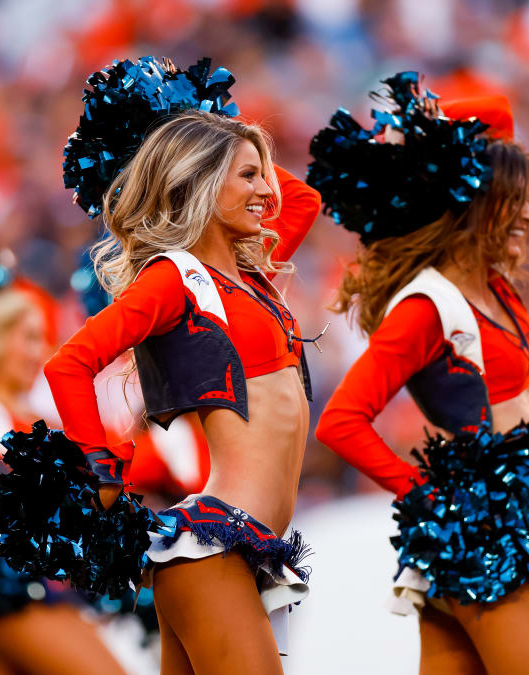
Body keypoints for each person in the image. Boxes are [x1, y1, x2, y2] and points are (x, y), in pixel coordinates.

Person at [311, 81, 529, 674]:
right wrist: (430, 497)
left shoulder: (493, 289)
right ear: (470, 205)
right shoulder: (426, 306)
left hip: (498, 535)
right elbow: (340, 422)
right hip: (490, 540)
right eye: (516, 199)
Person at [44, 110, 321, 673]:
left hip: (240, 548)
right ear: (199, 182)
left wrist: (202, 116)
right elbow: (68, 364)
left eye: (263, 174)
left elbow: (304, 199)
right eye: (247, 176)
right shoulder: (175, 279)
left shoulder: (250, 278)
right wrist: (100, 471)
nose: (267, 190)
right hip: (214, 545)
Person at [0, 283, 129, 675]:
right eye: (28, 338)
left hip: (45, 591)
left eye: (44, 339)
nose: (39, 353)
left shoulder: (40, 425)